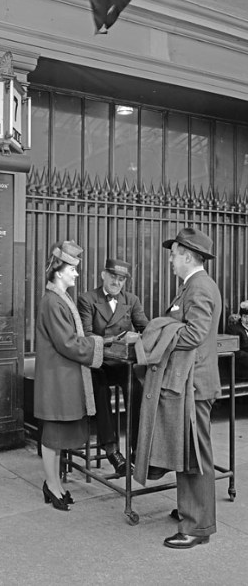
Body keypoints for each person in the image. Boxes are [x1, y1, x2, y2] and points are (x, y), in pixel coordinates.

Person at [138, 227, 221, 550]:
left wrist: (161, 334)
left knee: (195, 456)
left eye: (173, 255)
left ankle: (198, 526)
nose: (170, 260)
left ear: (187, 256)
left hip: (194, 384)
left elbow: (194, 333)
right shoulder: (194, 285)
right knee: (189, 452)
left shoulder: (197, 287)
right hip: (192, 381)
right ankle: (191, 511)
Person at [34, 240, 106, 511]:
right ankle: (52, 485)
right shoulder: (53, 301)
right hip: (57, 379)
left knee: (57, 435)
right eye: (72, 269)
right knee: (53, 436)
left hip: (60, 377)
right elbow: (67, 343)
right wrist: (99, 343)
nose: (76, 274)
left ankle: (54, 484)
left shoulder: (58, 298)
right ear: (59, 271)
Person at [77, 258, 148, 476]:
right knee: (100, 390)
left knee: (137, 388)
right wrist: (114, 340)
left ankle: (138, 450)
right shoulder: (87, 299)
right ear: (103, 275)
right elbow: (87, 335)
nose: (116, 282)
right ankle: (112, 450)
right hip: (98, 362)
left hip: (121, 363)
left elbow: (145, 327)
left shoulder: (132, 300)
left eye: (121, 279)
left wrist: (140, 336)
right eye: (113, 277)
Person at [226, 301, 248, 378]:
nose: (247, 320)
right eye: (245, 317)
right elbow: (235, 351)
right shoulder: (233, 329)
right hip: (242, 367)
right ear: (240, 317)